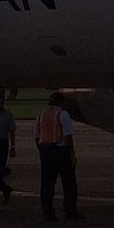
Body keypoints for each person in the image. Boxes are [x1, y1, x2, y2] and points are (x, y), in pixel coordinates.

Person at [35, 92, 82, 221]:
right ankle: (70, 210)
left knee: (47, 183)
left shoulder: (42, 114)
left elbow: (37, 136)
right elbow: (68, 136)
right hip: (61, 150)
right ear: (61, 102)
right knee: (69, 182)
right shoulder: (63, 114)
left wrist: (41, 151)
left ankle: (47, 211)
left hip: (46, 151)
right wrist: (72, 154)